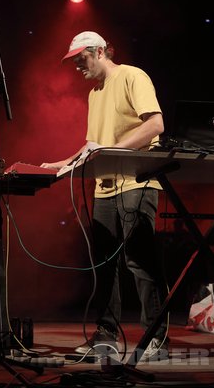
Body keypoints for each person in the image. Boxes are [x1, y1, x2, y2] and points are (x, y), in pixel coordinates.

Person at [41, 31, 169, 361]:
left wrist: (110, 150)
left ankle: (156, 337)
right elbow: (92, 146)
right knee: (104, 263)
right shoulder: (94, 94)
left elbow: (155, 125)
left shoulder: (132, 75)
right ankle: (106, 335)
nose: (76, 67)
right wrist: (61, 164)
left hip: (137, 182)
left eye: (80, 59)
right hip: (106, 188)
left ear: (99, 52)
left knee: (139, 261)